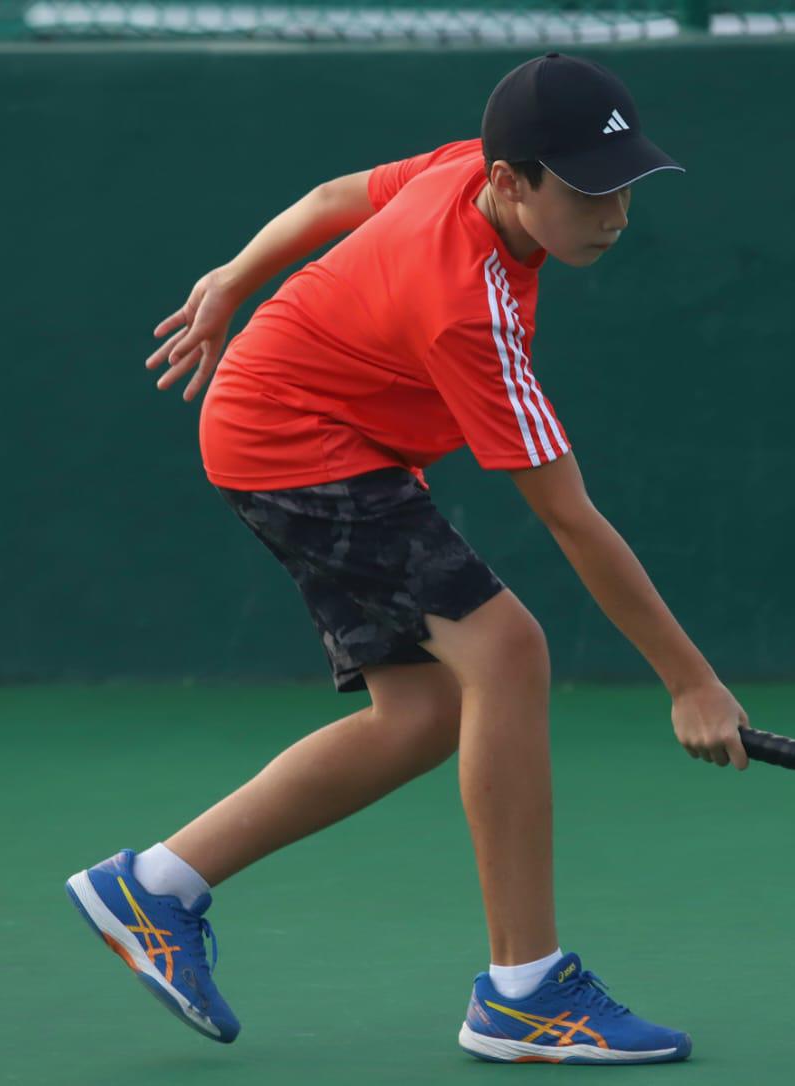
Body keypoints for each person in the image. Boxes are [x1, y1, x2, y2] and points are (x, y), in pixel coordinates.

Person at [65, 53, 748, 1066]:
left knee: (425, 714)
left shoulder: (468, 169)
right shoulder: (467, 306)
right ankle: (524, 990)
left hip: (315, 429)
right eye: (589, 191)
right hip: (294, 443)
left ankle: (155, 886)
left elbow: (334, 197)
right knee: (508, 651)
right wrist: (689, 682)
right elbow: (570, 517)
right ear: (512, 182)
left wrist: (233, 282)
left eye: (624, 186)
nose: (614, 214)